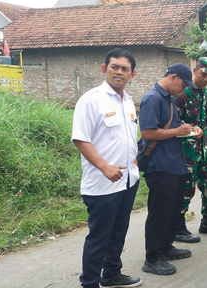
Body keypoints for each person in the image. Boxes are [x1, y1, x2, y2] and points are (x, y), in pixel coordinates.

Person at [72, 48, 142, 288]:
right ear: (104, 69)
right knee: (99, 238)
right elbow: (81, 139)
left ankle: (111, 274)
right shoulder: (91, 100)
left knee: (119, 232)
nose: (119, 72)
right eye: (115, 67)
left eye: (125, 69)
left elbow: (129, 137)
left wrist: (133, 163)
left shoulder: (129, 101)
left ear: (132, 74)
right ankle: (89, 283)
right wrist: (104, 167)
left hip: (128, 180)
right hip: (102, 184)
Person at [139, 63, 202, 275]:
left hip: (174, 164)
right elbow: (147, 132)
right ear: (173, 77)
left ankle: (166, 247)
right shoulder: (153, 98)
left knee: (172, 210)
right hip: (160, 165)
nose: (183, 90)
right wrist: (177, 131)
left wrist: (190, 130)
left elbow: (175, 127)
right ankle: (153, 257)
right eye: (183, 85)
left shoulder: (168, 100)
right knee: (159, 212)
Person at [173, 57, 207, 243]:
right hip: (186, 151)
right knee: (187, 188)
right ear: (195, 70)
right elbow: (173, 122)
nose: (206, 79)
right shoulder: (182, 93)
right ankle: (178, 228)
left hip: (203, 150)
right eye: (204, 74)